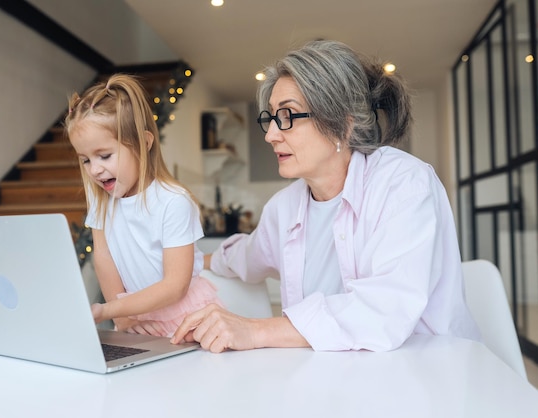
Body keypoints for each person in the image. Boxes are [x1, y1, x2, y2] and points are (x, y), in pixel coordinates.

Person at [171, 40, 481, 352]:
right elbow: (245, 256)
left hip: (430, 372)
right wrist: (186, 260)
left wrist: (256, 331)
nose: (271, 135)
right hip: (332, 380)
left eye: (288, 115)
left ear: (342, 126)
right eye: (271, 118)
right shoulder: (284, 207)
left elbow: (384, 309)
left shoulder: (404, 184)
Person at [64, 74, 222, 337]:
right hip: (134, 319)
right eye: (85, 160)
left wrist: (108, 310)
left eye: (104, 156)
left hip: (187, 317)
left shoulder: (173, 201)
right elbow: (103, 259)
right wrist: (122, 315)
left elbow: (175, 286)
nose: (95, 169)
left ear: (144, 143)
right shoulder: (101, 200)